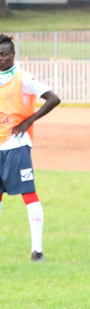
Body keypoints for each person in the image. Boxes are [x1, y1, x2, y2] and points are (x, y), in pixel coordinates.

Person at [0, 34, 61, 262]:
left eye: (4, 54)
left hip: (16, 145)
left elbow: (53, 98)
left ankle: (37, 250)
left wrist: (28, 121)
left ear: (13, 55)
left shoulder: (22, 77)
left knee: (29, 194)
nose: (0, 58)